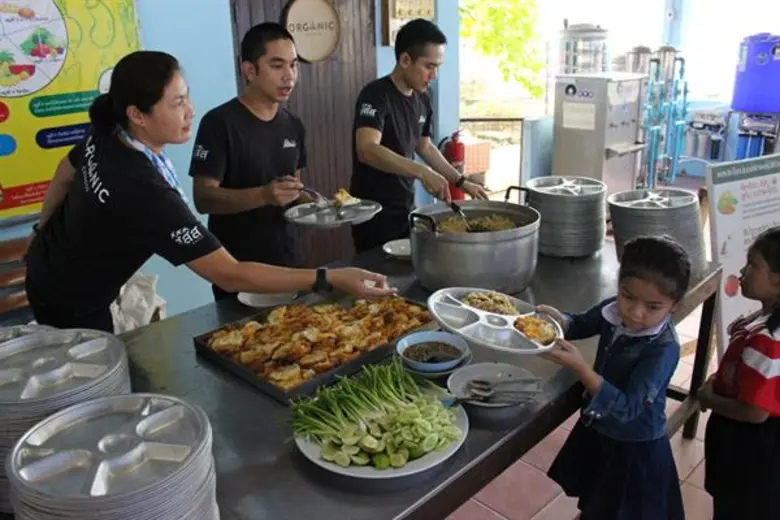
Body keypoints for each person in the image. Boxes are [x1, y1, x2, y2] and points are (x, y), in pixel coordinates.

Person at [23, 50, 394, 333]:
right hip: (72, 297)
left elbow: (66, 173)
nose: (190, 111)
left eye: (187, 97)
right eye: (177, 103)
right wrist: (328, 277)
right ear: (137, 114)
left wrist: (43, 229)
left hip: (48, 260)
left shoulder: (108, 129)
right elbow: (229, 275)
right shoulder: (144, 188)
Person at [538, 236, 691, 520]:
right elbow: (583, 322)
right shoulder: (614, 309)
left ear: (674, 306)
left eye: (653, 306)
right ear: (620, 285)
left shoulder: (663, 348)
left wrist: (582, 369)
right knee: (599, 505)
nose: (635, 312)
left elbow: (629, 408)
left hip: (633, 447)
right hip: (602, 430)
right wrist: (560, 321)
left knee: (622, 510)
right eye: (627, 296)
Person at [189, 23, 311, 301]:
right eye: (277, 66)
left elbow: (293, 188)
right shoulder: (219, 123)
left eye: (293, 65)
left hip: (289, 261)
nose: (289, 76)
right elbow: (203, 198)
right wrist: (263, 195)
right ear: (250, 70)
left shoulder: (293, 124)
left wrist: (323, 207)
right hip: (238, 270)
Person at [349, 18, 488, 254]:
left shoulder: (423, 98)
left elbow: (425, 146)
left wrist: (461, 181)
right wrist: (422, 172)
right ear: (405, 60)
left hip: (406, 206)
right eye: (429, 66)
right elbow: (367, 149)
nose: (434, 75)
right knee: (378, 283)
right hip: (373, 212)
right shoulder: (375, 95)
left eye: (437, 67)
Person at [698, 228, 780, 520]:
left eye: (753, 265)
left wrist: (709, 397)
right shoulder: (764, 322)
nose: (743, 271)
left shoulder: (769, 339)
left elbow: (755, 411)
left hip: (751, 451)